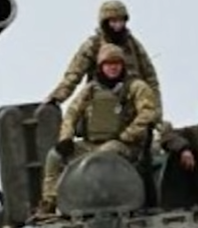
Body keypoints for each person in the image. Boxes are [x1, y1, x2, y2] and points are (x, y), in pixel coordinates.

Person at [37, 43, 158, 214]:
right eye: (108, 64)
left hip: (125, 145)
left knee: (102, 157)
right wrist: (66, 138)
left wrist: (127, 135)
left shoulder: (136, 87)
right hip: (91, 144)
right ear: (101, 66)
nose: (113, 68)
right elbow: (72, 113)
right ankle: (49, 202)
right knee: (54, 156)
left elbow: (148, 113)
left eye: (117, 63)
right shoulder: (91, 89)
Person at [43, 0, 162, 117]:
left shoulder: (133, 46)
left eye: (121, 21)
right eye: (113, 21)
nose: (118, 26)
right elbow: (73, 75)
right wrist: (56, 98)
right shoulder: (93, 46)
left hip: (130, 107)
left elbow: (151, 78)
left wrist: (155, 112)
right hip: (100, 106)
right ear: (104, 22)